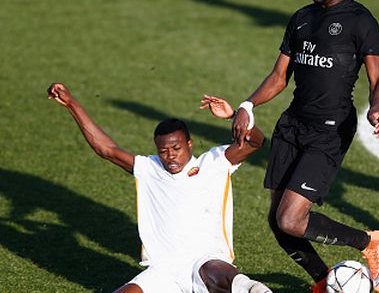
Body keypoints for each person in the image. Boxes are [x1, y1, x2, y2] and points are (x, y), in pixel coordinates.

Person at [230, 0, 379, 292]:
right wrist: (247, 105)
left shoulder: (360, 21)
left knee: (291, 218)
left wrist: (378, 107)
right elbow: (278, 77)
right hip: (292, 126)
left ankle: (369, 241)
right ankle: (322, 282)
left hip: (330, 130)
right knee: (277, 221)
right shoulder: (302, 18)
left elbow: (378, 79)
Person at [47, 83, 272, 293]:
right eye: (164, 151)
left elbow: (255, 142)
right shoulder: (148, 168)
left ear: (189, 144)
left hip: (205, 259)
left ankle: (250, 289)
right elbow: (106, 149)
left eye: (176, 148)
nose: (170, 156)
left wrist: (235, 115)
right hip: (164, 270)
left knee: (217, 273)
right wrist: (71, 103)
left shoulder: (214, 162)